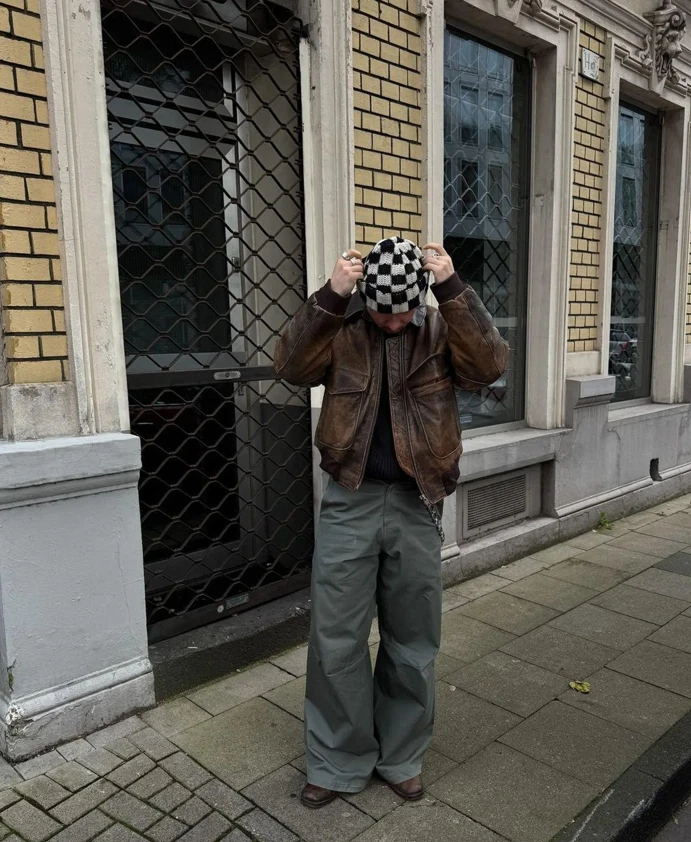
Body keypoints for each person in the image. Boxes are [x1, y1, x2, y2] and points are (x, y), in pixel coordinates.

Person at [274, 236, 509, 808]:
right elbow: (290, 366)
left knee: (412, 638)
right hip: (350, 499)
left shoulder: (439, 328)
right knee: (336, 637)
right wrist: (331, 296)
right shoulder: (344, 329)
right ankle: (337, 761)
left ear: (419, 298)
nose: (395, 321)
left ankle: (401, 755)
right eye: (383, 311)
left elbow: (490, 364)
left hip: (417, 500)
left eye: (405, 310)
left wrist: (453, 289)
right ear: (367, 300)